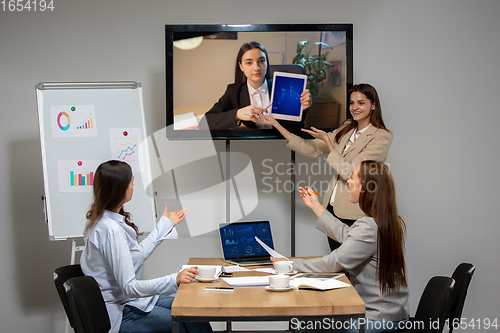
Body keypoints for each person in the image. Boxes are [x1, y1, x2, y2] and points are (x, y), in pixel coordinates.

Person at [273, 161, 409, 333]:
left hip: (377, 318)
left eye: (352, 177)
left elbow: (334, 262)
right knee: (311, 326)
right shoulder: (388, 222)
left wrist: (287, 265)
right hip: (393, 313)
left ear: (366, 187)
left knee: (307, 329)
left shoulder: (369, 225)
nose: (348, 182)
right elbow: (348, 235)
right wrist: (315, 205)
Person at [80, 160, 212, 333]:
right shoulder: (110, 230)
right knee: (186, 320)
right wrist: (174, 279)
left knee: (193, 309)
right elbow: (130, 287)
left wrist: (165, 224)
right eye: (131, 182)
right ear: (120, 189)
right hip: (120, 313)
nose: (133, 184)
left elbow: (137, 255)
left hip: (130, 302)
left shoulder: (103, 221)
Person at [262, 83, 392, 251]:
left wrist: (329, 143)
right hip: (331, 210)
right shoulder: (346, 128)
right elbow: (310, 148)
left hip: (355, 212)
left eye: (361, 103)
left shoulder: (381, 137)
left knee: (350, 267)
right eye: (352, 103)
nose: (355, 107)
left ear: (373, 105)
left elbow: (350, 173)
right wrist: (276, 124)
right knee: (337, 265)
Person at [203, 41, 312, 130]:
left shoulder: (282, 88)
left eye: (261, 61)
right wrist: (238, 114)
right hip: (253, 145)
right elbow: (206, 121)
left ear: (267, 63)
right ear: (241, 66)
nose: (257, 68)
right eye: (249, 63)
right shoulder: (233, 92)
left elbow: (295, 130)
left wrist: (302, 109)